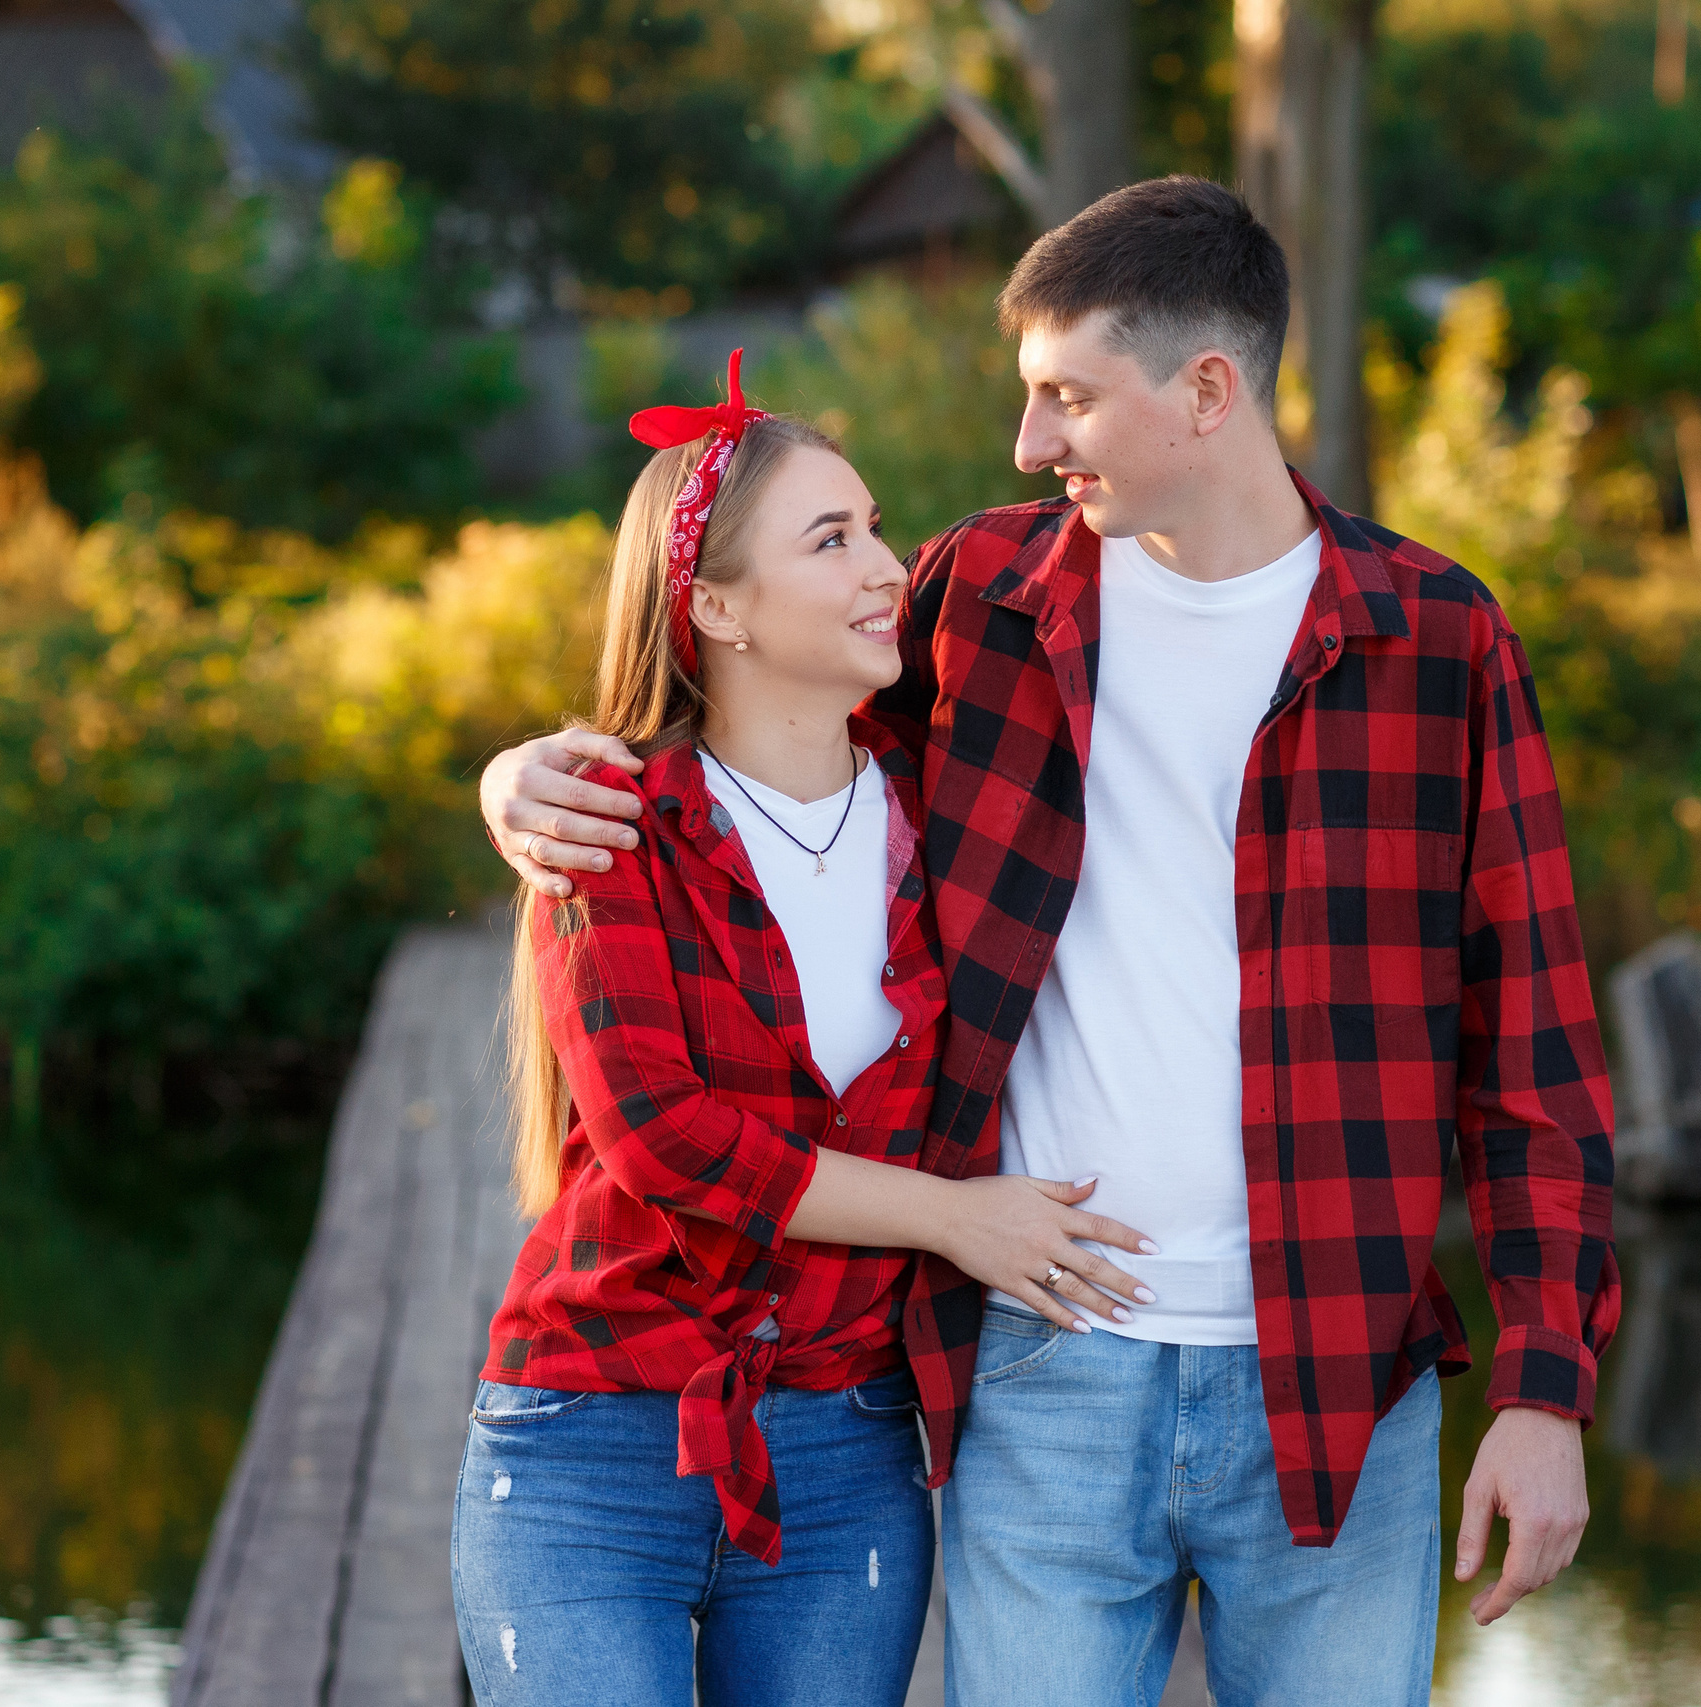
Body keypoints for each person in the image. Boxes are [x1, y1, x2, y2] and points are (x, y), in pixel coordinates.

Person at [483, 179, 1620, 1706]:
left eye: (1067, 398)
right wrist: (528, 777)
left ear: (1206, 391)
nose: (1028, 444)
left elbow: (1536, 1059)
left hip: (1341, 1376)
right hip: (1040, 1367)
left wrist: (1545, 1390)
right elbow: (758, 731)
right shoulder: (980, 604)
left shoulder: (1436, 641)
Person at [454, 356, 1159, 1707]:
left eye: (877, 527)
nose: (889, 568)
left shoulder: (944, 813)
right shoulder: (614, 826)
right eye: (831, 540)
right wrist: (956, 1220)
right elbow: (664, 1138)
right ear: (715, 604)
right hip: (593, 1440)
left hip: (848, 1451)